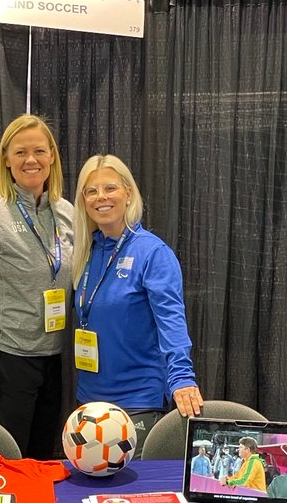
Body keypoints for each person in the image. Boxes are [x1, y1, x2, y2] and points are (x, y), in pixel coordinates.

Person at [0, 113, 73, 459]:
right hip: (8, 361)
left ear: (52, 156)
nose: (31, 160)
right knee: (7, 460)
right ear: (6, 160)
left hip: (55, 358)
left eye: (39, 150)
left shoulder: (68, 213)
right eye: (20, 152)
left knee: (43, 458)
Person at [71, 154, 202, 458]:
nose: (101, 197)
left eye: (110, 188)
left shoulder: (152, 252)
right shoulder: (86, 251)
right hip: (89, 403)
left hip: (137, 401)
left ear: (129, 193)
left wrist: (182, 378)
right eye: (91, 191)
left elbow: (171, 322)